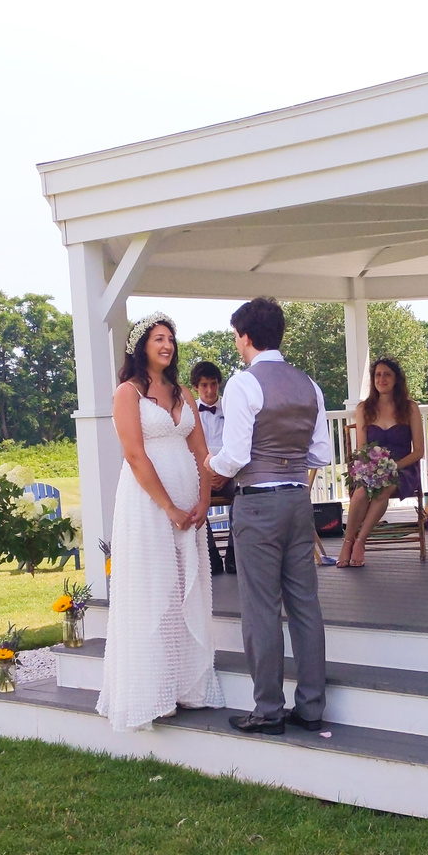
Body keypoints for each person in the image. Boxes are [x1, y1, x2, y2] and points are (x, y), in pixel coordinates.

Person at [206, 296, 331, 735]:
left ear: (246, 337)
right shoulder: (309, 384)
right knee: (304, 605)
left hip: (257, 503)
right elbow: (322, 452)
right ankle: (312, 707)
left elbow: (236, 454)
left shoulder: (243, 384)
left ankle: (268, 709)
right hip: (299, 500)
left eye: (237, 337)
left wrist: (210, 464)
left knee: (260, 606)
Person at [97, 313, 225, 732]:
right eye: (158, 338)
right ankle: (155, 691)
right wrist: (169, 507)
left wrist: (205, 499)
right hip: (149, 506)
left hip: (190, 506)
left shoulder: (182, 392)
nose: (167, 345)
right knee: (156, 592)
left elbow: (201, 451)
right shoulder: (127, 393)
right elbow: (135, 455)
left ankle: (189, 684)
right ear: (141, 346)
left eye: (170, 339)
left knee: (187, 589)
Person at [337, 357, 424, 568]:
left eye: (387, 374)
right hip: (373, 467)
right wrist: (370, 468)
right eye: (377, 375)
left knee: (383, 490)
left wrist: (394, 466)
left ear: (396, 380)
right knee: (360, 492)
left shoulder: (410, 408)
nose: (381, 379)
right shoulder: (364, 408)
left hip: (403, 467)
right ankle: (347, 542)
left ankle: (360, 541)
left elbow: (419, 451)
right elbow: (362, 450)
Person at [190, 360, 236, 575]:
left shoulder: (232, 409)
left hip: (228, 473)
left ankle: (235, 554)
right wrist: (207, 475)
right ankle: (211, 557)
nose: (209, 390)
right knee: (190, 496)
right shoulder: (190, 413)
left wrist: (225, 474)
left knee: (243, 493)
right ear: (196, 387)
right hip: (201, 474)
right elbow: (189, 450)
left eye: (213, 384)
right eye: (204, 385)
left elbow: (237, 447)